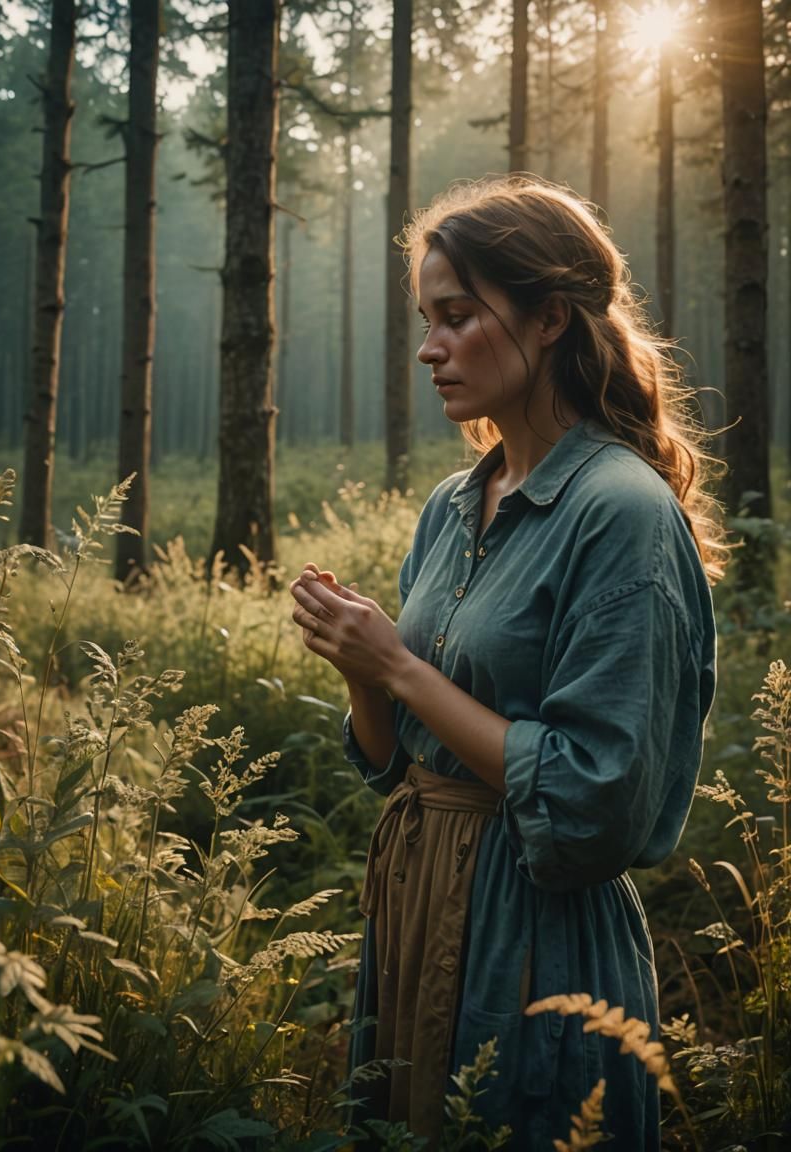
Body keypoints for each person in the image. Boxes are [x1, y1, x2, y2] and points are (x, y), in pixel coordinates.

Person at [289, 176, 721, 1150]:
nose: (429, 347)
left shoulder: (619, 514)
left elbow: (592, 800)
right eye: (424, 319)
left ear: (549, 319)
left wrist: (400, 668)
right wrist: (362, 667)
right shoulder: (451, 504)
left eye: (456, 316)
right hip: (414, 912)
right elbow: (401, 763)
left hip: (537, 938)